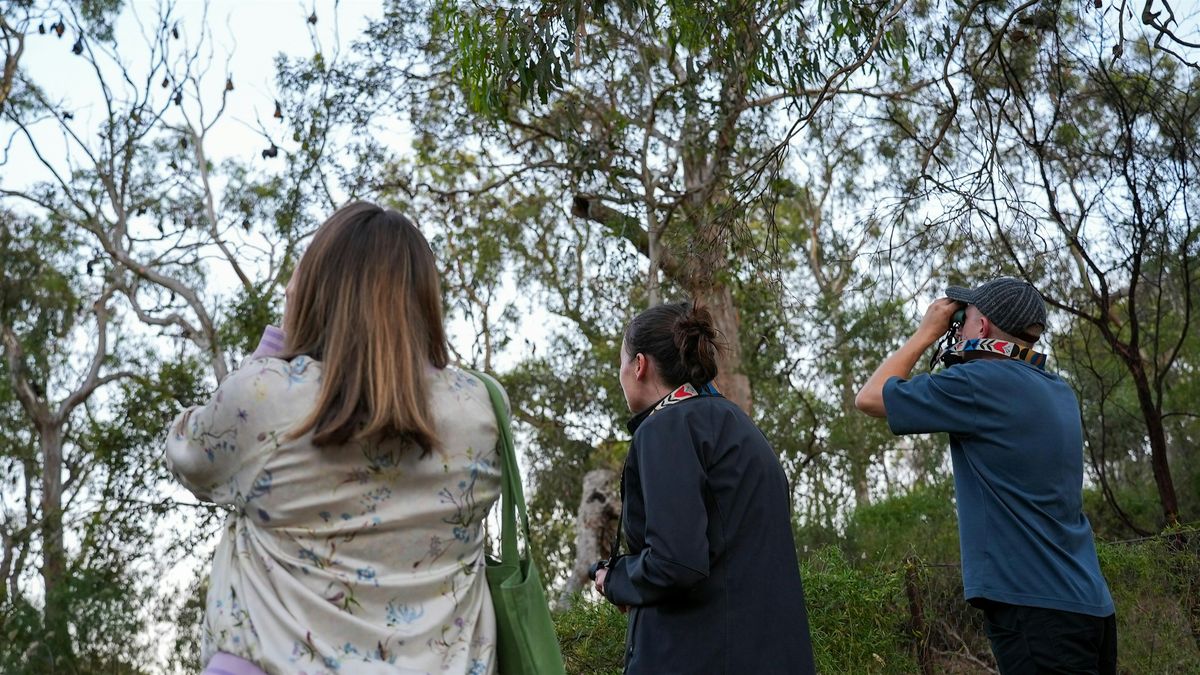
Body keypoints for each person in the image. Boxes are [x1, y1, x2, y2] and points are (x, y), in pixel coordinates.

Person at [166, 202, 503, 675]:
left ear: (313, 291)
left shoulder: (265, 396)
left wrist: (278, 347)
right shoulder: (481, 408)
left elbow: (188, 455)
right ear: (425, 299)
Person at [854, 277, 1117, 675]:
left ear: (981, 327)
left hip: (1034, 609)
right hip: (1090, 604)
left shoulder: (978, 384)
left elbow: (870, 397)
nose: (955, 327)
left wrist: (927, 332)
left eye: (964, 318)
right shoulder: (1058, 390)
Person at [592, 302, 816, 675]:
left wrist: (613, 578)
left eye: (621, 364)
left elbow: (676, 560)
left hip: (700, 656)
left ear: (640, 366)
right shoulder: (737, 424)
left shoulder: (666, 428)